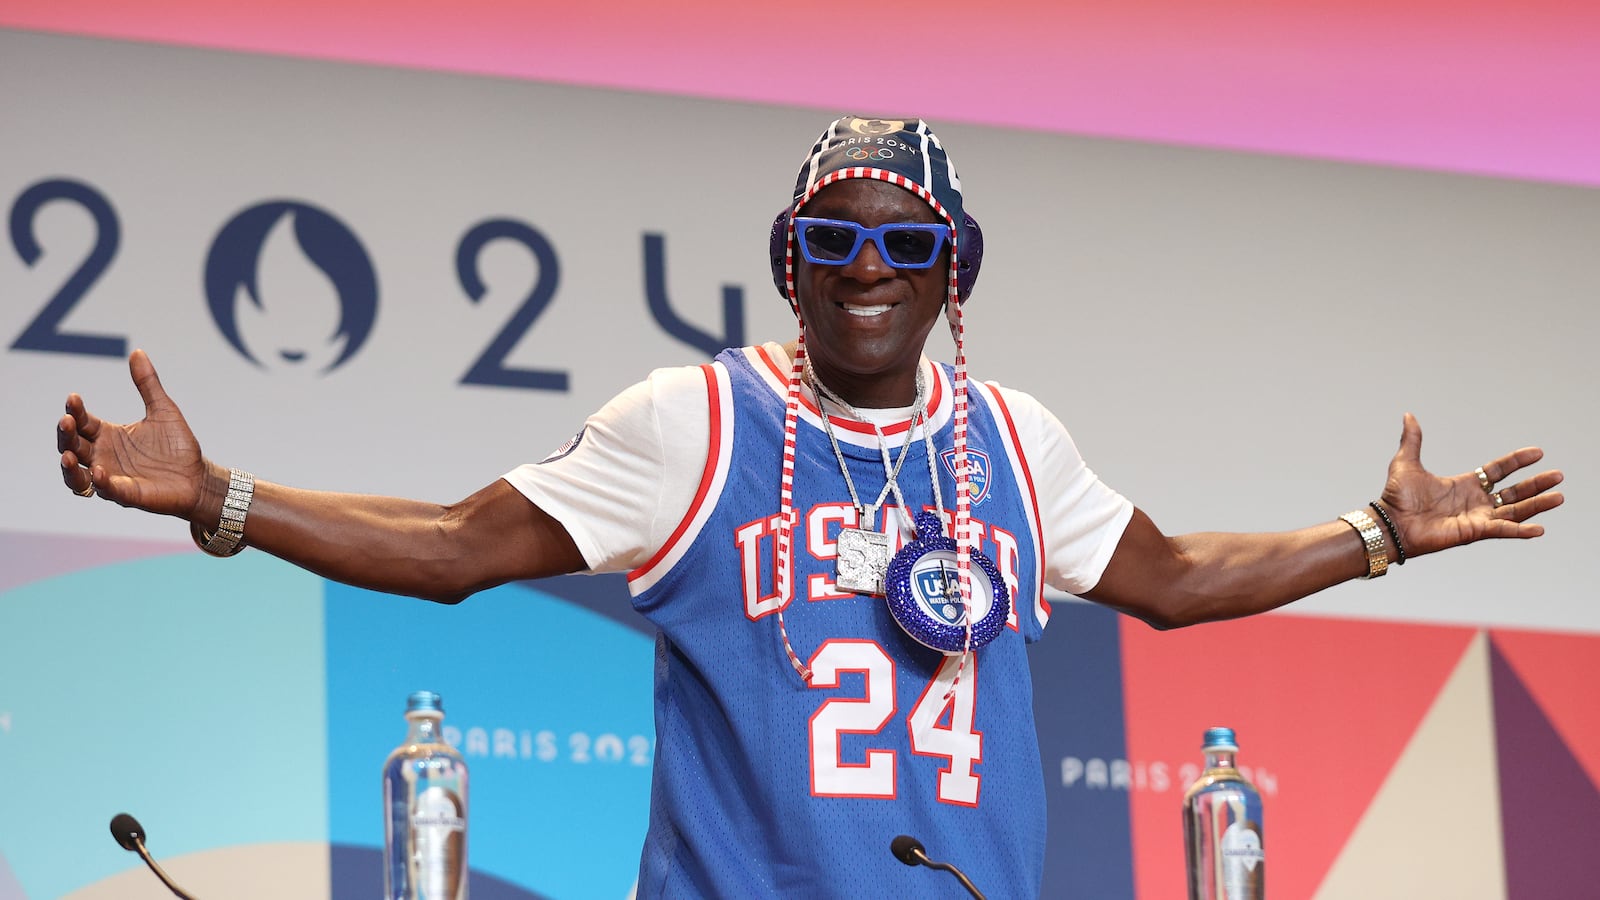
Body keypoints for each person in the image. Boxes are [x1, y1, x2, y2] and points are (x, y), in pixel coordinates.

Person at [55, 116, 1562, 897]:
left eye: (902, 245)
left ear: (951, 271)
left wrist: (1373, 540)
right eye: (829, 237)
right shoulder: (695, 421)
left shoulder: (1011, 443)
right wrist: (224, 496)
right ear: (789, 258)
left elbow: (1171, 578)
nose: (862, 268)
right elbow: (456, 551)